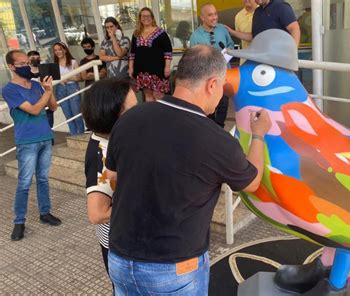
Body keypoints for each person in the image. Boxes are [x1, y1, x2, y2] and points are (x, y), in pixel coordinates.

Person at [105, 45, 271, 295]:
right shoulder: (216, 140)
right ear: (212, 84)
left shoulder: (130, 118)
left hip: (119, 258)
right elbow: (252, 182)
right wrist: (258, 136)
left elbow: (114, 176)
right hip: (173, 268)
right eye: (223, 86)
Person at [82, 78, 137, 285]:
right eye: (131, 111)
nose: (138, 115)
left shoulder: (113, 138)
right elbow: (97, 214)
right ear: (111, 114)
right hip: (120, 246)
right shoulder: (102, 154)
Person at [2, 50, 62, 241]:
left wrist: (47, 90)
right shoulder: (9, 90)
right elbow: (35, 110)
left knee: (43, 179)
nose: (28, 66)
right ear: (11, 67)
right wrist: (48, 93)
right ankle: (19, 222)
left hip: (45, 137)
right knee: (25, 182)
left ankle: (45, 213)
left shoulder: (37, 85)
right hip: (27, 141)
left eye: (28, 62)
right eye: (22, 64)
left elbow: (53, 107)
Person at [190, 3, 234, 127]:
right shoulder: (196, 36)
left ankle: (219, 127)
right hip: (206, 76)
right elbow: (193, 58)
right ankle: (209, 128)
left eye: (215, 14)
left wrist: (227, 55)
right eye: (210, 15)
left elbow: (230, 45)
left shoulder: (222, 29)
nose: (214, 17)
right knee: (208, 104)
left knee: (223, 102)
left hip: (224, 74)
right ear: (202, 18)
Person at [129, 7, 172, 102]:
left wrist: (167, 67)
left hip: (158, 69)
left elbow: (168, 52)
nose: (145, 18)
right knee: (147, 94)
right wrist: (131, 67)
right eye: (143, 16)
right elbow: (132, 53)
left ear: (152, 18)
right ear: (140, 18)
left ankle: (161, 116)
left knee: (158, 95)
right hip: (141, 70)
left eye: (148, 15)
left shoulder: (161, 33)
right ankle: (151, 116)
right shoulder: (136, 33)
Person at [225, 0, 301, 46]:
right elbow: (254, 36)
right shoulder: (257, 12)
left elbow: (294, 29)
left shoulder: (281, 6)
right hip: (265, 59)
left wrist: (292, 53)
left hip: (282, 57)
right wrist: (232, 32)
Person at [53, 42, 85, 135]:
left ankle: (81, 135)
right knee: (68, 115)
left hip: (72, 87)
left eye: (60, 49)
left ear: (65, 50)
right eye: (55, 50)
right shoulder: (54, 65)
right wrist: (61, 80)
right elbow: (54, 79)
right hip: (60, 89)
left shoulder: (73, 62)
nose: (58, 52)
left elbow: (79, 78)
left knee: (77, 114)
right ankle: (74, 136)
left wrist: (68, 78)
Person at [27, 50, 54, 129]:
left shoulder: (45, 70)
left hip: (46, 101)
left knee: (49, 126)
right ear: (28, 59)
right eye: (32, 58)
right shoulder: (26, 73)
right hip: (33, 102)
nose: (35, 59)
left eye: (37, 58)